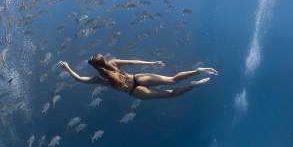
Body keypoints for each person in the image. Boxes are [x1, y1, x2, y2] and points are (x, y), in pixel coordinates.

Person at [58, 54, 218, 100]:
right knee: (172, 79)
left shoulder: (100, 80)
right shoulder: (113, 62)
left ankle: (196, 84)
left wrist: (68, 68)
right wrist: (151, 62)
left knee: (171, 94)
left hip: (135, 92)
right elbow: (133, 62)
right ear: (103, 60)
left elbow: (79, 78)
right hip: (139, 77)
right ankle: (199, 71)